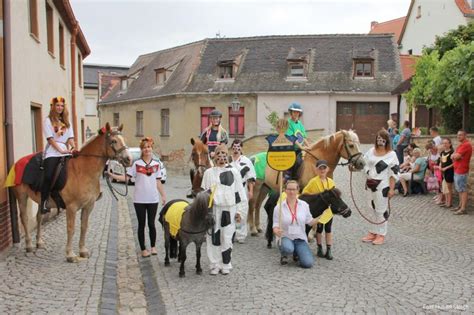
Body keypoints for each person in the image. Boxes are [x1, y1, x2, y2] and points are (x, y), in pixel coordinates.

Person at [108, 137, 166, 257]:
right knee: (141, 224)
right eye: (144, 147)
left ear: (152, 148)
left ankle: (153, 247)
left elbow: (158, 182)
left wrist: (163, 195)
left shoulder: (156, 164)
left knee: (151, 224)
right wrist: (112, 175)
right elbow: (127, 178)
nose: (147, 149)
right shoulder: (136, 164)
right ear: (142, 149)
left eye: (149, 147)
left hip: (152, 199)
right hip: (139, 199)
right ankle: (143, 249)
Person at [201, 144, 248, 275]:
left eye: (223, 154)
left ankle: (226, 263)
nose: (221, 156)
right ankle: (215, 264)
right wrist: (205, 212)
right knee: (214, 238)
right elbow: (204, 193)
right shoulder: (208, 173)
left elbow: (239, 193)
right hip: (214, 209)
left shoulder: (234, 172)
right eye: (218, 154)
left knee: (227, 236)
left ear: (227, 156)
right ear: (214, 156)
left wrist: (240, 211)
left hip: (229, 209)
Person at [358, 129, 398, 245]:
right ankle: (372, 232)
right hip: (370, 184)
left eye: (382, 138)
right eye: (378, 138)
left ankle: (381, 234)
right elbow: (363, 164)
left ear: (386, 140)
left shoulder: (391, 155)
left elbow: (393, 173)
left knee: (381, 210)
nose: (380, 140)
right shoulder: (370, 151)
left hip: (382, 186)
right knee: (370, 209)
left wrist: (391, 189)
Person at [272, 180, 319, 268]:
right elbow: (275, 224)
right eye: (289, 189)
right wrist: (276, 231)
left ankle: (297, 252)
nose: (291, 192)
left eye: (294, 189)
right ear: (285, 190)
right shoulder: (279, 207)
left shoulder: (304, 205)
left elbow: (309, 221)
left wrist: (319, 218)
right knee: (288, 248)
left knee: (308, 264)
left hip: (300, 238)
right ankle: (284, 254)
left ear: (298, 190)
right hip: (285, 236)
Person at [40, 96, 75, 214]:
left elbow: (70, 138)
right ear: (53, 107)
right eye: (57, 105)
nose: (59, 108)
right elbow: (50, 139)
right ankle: (44, 202)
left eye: (61, 105)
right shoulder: (48, 121)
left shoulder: (67, 122)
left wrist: (73, 147)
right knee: (49, 175)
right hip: (52, 151)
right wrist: (60, 150)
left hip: (65, 150)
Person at [302, 160, 335, 260]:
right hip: (319, 211)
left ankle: (329, 249)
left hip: (328, 211)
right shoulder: (313, 181)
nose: (322, 170)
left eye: (324, 168)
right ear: (316, 170)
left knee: (328, 229)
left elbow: (334, 196)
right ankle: (319, 247)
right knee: (319, 229)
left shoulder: (331, 182)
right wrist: (314, 198)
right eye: (320, 168)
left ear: (327, 169)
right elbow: (305, 193)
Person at [229, 139, 256, 244]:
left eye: (238, 147)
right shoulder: (228, 159)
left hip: (242, 188)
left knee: (242, 211)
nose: (236, 149)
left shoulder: (246, 161)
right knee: (231, 210)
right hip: (230, 189)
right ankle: (231, 233)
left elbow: (251, 177)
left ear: (241, 148)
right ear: (232, 148)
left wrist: (251, 191)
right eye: (234, 147)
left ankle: (240, 235)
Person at [284, 102, 309, 180]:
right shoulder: (288, 123)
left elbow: (304, 137)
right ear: (291, 112)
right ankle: (290, 178)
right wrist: (302, 147)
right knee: (297, 162)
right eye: (294, 112)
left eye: (297, 112)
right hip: (291, 149)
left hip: (298, 149)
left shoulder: (300, 124)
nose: (296, 113)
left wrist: (309, 147)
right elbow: (292, 138)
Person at [452, 130, 472, 215]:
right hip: (457, 170)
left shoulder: (466, 145)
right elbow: (453, 155)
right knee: (459, 189)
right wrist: (454, 155)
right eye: (457, 135)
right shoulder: (461, 145)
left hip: (462, 170)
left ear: (465, 136)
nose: (458, 137)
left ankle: (463, 209)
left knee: (463, 189)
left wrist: (454, 156)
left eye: (460, 135)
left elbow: (455, 156)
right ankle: (460, 206)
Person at [438, 138, 454, 209]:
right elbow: (441, 162)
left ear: (450, 144)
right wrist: (440, 167)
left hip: (449, 171)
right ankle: (446, 201)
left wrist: (446, 168)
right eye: (443, 143)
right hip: (443, 171)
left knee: (449, 188)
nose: (444, 144)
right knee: (445, 188)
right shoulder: (442, 152)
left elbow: (454, 163)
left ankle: (449, 203)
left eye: (446, 143)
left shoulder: (452, 152)